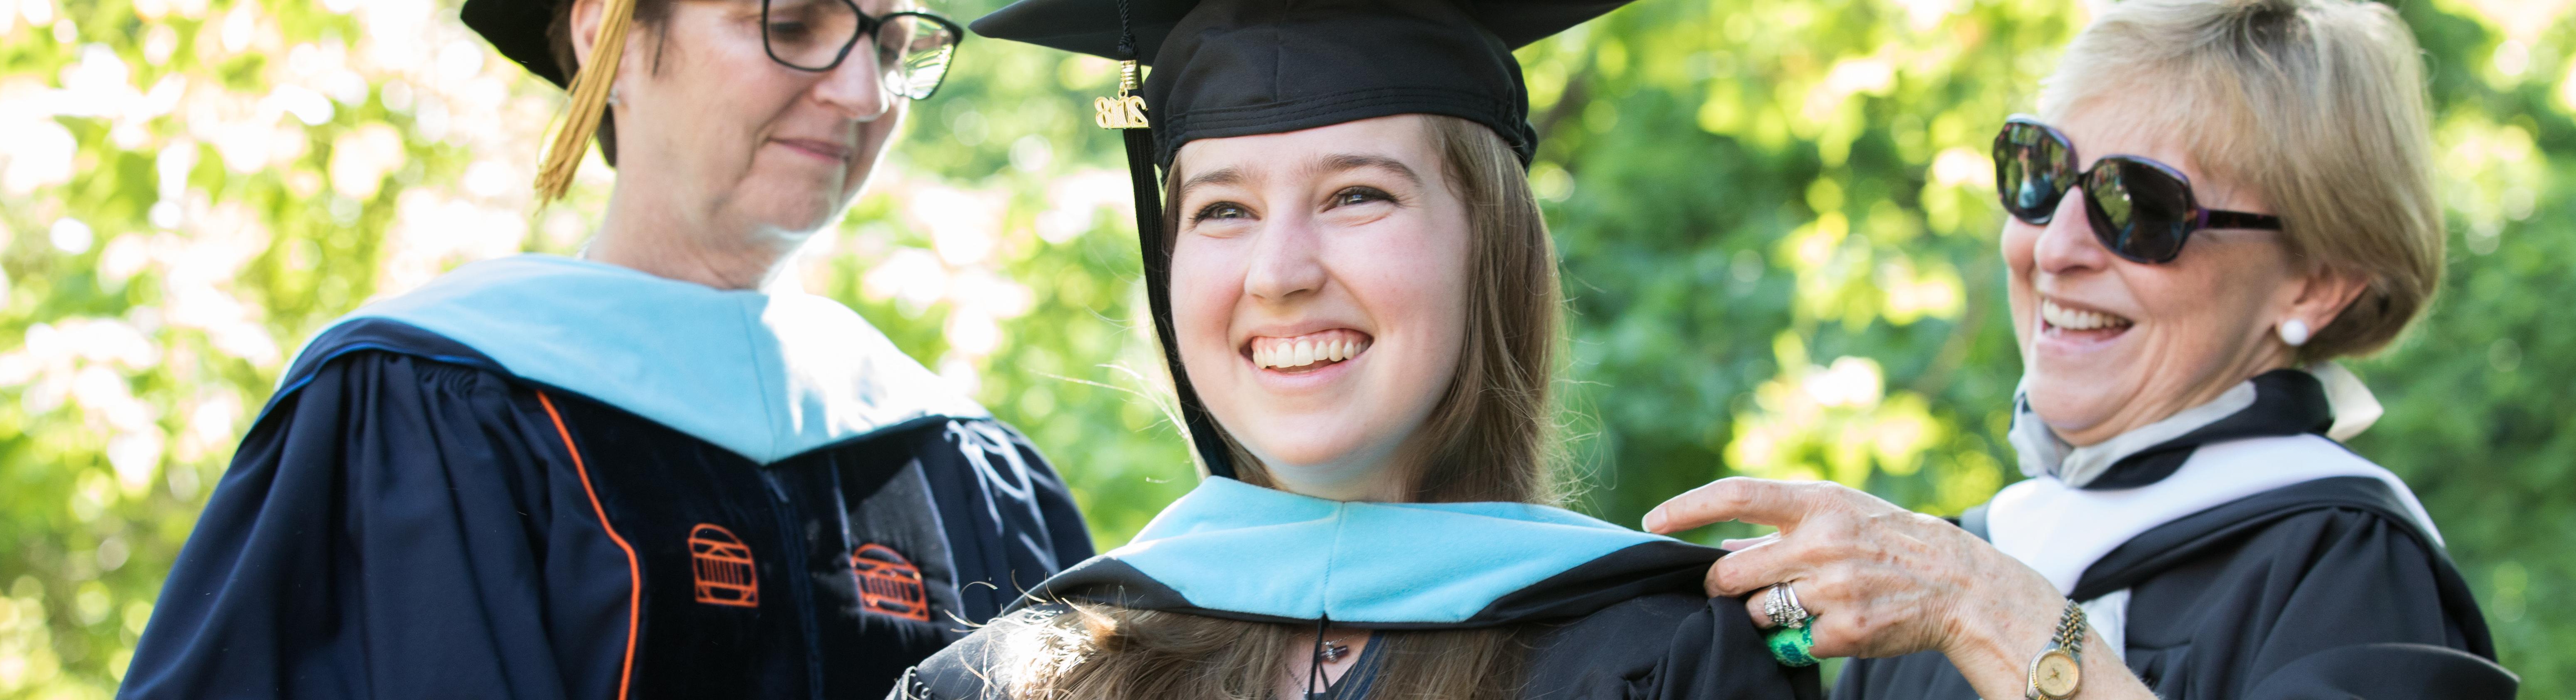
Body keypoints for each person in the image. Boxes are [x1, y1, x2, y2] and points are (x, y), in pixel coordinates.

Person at [119, 0, 1092, 698]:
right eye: (792, 27)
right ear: (611, 39)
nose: (862, 92)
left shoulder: (962, 464)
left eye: (890, 42)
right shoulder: (430, 405)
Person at [888, 1, 1820, 699]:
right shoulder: (1009, 680)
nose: (1278, 272)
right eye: (1222, 210)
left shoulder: (1665, 662)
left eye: (1357, 196)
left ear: (1490, 254)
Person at [1643, 0, 2518, 698]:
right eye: (2042, 176)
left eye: (2137, 206)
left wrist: (1989, 611)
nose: (2053, 248)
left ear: (2319, 283)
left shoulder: (2354, 576)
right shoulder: (1947, 568)